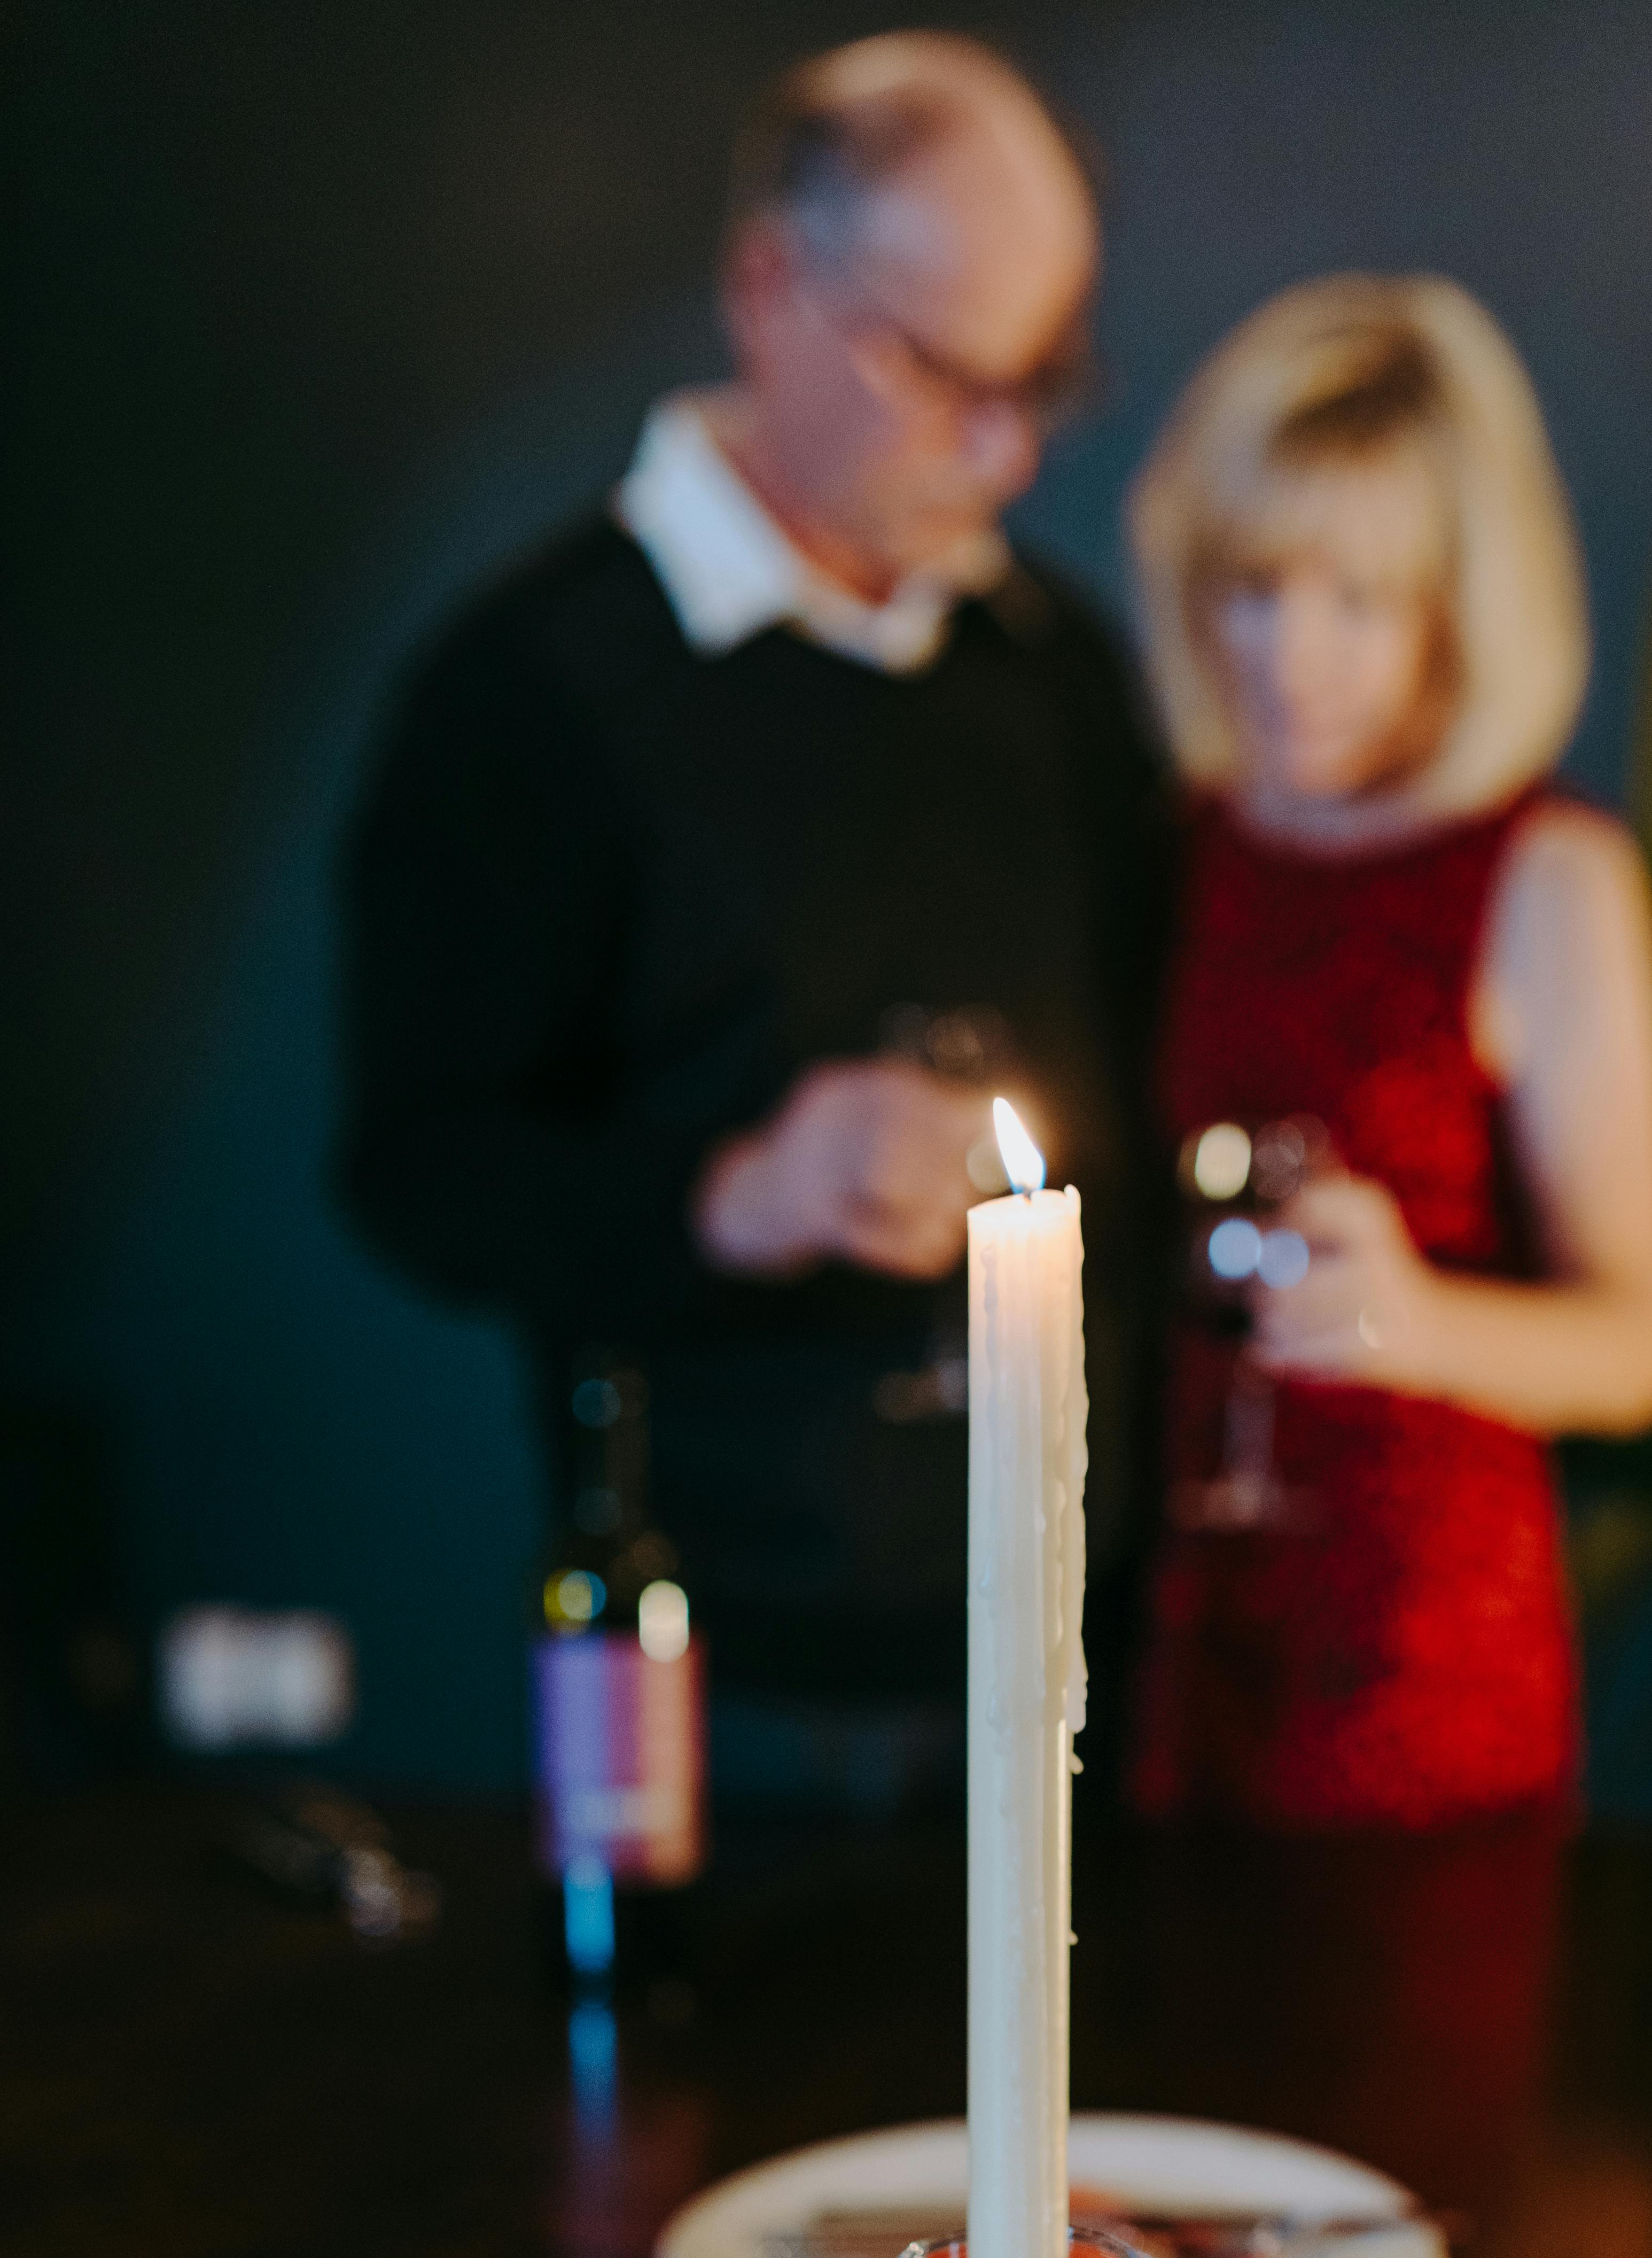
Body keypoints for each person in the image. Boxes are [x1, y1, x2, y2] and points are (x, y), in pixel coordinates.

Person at [338, 34, 1166, 1810]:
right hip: (736, 1692)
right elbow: (416, 1165)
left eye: (1046, 380)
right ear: (769, 288)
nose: (1008, 452)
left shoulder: (1053, 668)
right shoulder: (536, 691)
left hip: (1086, 1662)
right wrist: (740, 1194)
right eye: (950, 376)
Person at [1125, 275, 1652, 1830]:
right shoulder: (1187, 844)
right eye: (1252, 584)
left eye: (1356, 600)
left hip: (1418, 1674)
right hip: (1168, 1634)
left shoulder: (1544, 876)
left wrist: (1415, 1325)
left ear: (1463, 603)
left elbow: (1647, 1345)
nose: (1284, 652)